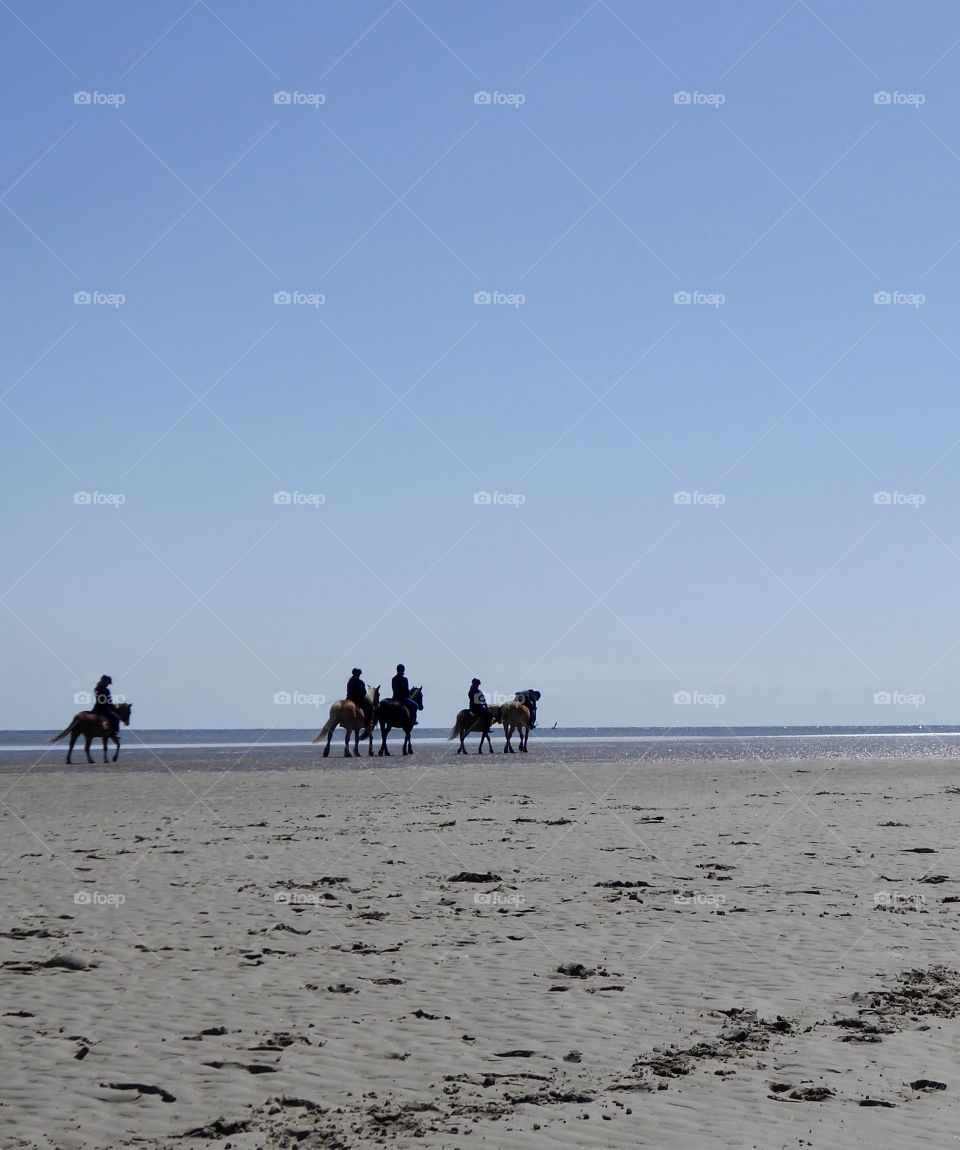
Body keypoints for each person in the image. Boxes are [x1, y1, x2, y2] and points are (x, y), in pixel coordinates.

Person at [91, 675, 121, 740]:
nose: (108, 685)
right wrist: (114, 706)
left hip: (97, 708)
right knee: (116, 718)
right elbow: (107, 701)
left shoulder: (97, 688)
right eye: (107, 683)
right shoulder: (105, 690)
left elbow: (104, 700)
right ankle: (113, 734)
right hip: (103, 709)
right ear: (104, 682)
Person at [346, 668, 373, 733]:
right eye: (359, 674)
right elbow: (364, 693)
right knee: (369, 708)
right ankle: (368, 723)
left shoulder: (349, 681)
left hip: (349, 699)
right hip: (357, 700)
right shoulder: (360, 682)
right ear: (358, 674)